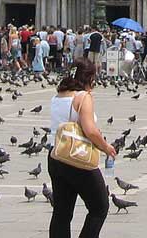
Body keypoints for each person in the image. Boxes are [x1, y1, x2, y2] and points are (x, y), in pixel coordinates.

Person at [49, 59, 116, 238]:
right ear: (89, 78)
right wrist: (106, 147)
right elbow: (90, 130)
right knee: (99, 207)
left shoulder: (58, 95)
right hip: (76, 156)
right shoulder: (82, 97)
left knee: (62, 213)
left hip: (56, 156)